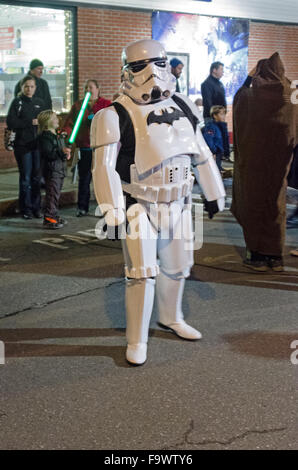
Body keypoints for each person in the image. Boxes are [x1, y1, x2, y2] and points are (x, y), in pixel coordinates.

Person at [91, 39, 225, 366]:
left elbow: (201, 153)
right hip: (140, 203)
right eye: (140, 65)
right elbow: (103, 166)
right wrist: (111, 208)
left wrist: (214, 192)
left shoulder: (184, 105)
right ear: (126, 71)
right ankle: (136, 339)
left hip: (179, 201)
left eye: (157, 62)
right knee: (140, 273)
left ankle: (171, 317)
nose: (151, 71)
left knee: (179, 267)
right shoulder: (113, 115)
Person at [231, 53, 297, 272]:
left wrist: (248, 79)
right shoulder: (291, 94)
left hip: (253, 163)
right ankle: (276, 257)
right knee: (276, 205)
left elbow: (238, 97)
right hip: (280, 163)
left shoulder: (251, 94)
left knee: (253, 205)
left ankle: (257, 255)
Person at [62, 79, 111, 216]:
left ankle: (104, 207)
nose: (88, 90)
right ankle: (82, 207)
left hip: (101, 146)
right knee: (84, 178)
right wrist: (67, 135)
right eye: (86, 88)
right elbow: (70, 123)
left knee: (102, 178)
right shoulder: (78, 105)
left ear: (97, 89)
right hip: (85, 146)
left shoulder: (105, 104)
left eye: (91, 87)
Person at [7, 75, 45, 219]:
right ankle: (26, 209)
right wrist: (31, 122)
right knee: (26, 178)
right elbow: (12, 122)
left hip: (37, 145)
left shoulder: (39, 103)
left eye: (32, 86)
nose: (29, 89)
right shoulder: (17, 103)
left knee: (37, 178)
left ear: (35, 88)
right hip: (23, 146)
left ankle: (37, 208)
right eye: (26, 86)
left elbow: (45, 121)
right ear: (22, 87)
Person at [38, 110, 71, 229]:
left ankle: (54, 215)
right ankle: (49, 217)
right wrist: (60, 151)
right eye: (55, 118)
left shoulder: (57, 135)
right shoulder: (45, 137)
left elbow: (60, 151)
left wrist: (65, 153)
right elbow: (49, 154)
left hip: (59, 169)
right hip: (52, 171)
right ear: (47, 122)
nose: (58, 119)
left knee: (56, 194)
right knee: (52, 194)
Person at [202, 105, 230, 172]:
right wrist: (213, 151)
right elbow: (208, 140)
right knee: (214, 172)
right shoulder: (211, 126)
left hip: (219, 154)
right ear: (214, 115)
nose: (224, 116)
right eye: (221, 114)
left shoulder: (221, 127)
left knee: (217, 171)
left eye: (224, 114)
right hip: (214, 154)